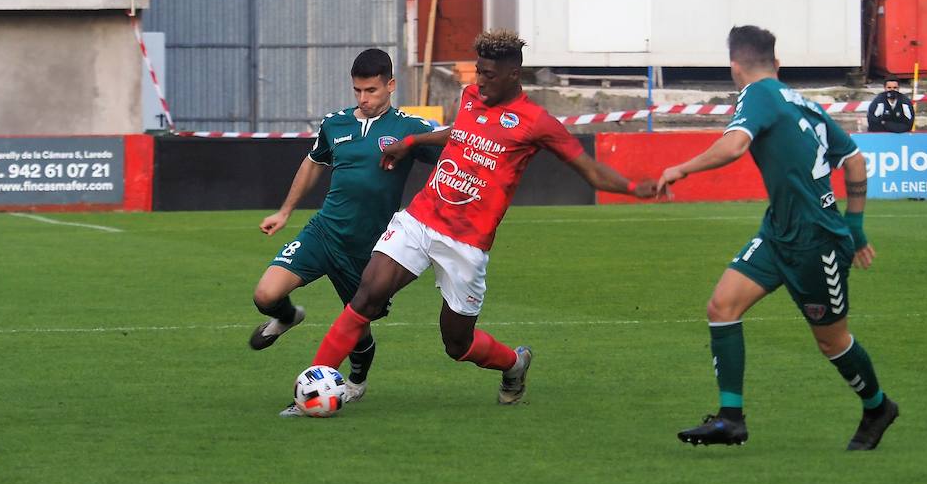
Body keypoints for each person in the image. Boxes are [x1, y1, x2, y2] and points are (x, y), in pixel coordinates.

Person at [299, 30, 660, 412]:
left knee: (457, 344)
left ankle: (514, 364)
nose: (479, 81)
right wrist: (413, 142)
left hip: (467, 243)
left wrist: (634, 187)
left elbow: (589, 170)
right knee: (366, 295)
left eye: (488, 74)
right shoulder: (471, 97)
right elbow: (461, 133)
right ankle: (311, 388)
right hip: (422, 217)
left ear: (513, 75)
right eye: (477, 72)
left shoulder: (536, 122)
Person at [657, 26, 899, 451]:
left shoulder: (757, 94)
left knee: (831, 341)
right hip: (779, 231)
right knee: (722, 306)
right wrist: (857, 224)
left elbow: (734, 147)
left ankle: (877, 406)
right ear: (778, 63)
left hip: (816, 241)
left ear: (735, 66)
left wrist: (682, 168)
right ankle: (731, 418)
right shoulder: (803, 103)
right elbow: (855, 159)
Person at [248, 48, 440, 416]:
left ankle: (356, 381)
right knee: (265, 294)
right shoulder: (334, 124)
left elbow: (450, 152)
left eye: (371, 90)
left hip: (369, 250)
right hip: (325, 232)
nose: (363, 98)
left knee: (358, 330)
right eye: (357, 91)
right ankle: (287, 317)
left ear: (391, 85)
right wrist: (285, 211)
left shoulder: (409, 128)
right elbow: (312, 163)